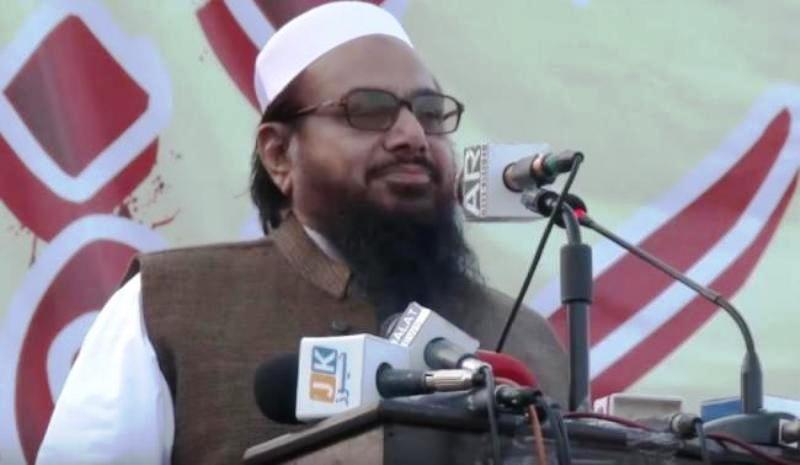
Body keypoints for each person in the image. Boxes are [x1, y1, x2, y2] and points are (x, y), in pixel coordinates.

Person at [36, 3, 568, 465]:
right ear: (278, 154)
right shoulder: (167, 305)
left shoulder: (525, 337)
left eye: (429, 114)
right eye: (369, 111)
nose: (412, 136)